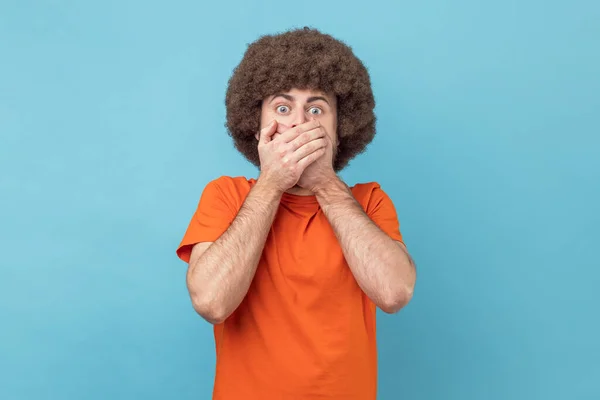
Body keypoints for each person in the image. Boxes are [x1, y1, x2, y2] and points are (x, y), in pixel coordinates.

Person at [176, 27, 416, 400]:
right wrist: (271, 183)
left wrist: (325, 185)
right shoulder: (226, 195)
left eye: (316, 109)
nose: (300, 123)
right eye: (283, 108)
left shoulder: (369, 202)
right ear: (257, 126)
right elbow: (211, 302)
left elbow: (394, 292)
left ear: (341, 130)